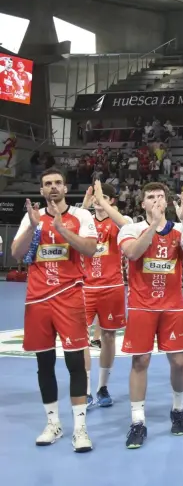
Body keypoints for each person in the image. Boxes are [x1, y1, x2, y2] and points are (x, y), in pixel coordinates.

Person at [10, 168, 98, 452]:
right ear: (41, 190)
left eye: (58, 183)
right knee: (44, 364)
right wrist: (35, 227)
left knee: (75, 365)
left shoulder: (81, 216)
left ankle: (80, 429)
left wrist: (61, 230)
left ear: (65, 187)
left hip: (69, 296)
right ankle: (53, 424)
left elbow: (90, 249)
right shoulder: (31, 216)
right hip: (37, 300)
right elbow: (16, 253)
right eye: (47, 184)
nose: (53, 187)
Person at [118, 182, 183, 448]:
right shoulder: (131, 228)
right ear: (142, 203)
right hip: (142, 306)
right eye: (150, 197)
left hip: (172, 306)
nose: (156, 200)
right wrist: (154, 226)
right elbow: (133, 253)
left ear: (167, 201)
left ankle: (178, 411)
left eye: (160, 196)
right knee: (140, 361)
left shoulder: (179, 230)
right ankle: (137, 422)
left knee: (179, 362)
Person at [81, 180, 131, 409]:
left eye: (102, 197)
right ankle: (86, 390)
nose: (96, 202)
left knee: (109, 337)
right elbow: (71, 227)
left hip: (112, 287)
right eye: (94, 198)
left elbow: (127, 225)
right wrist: (84, 208)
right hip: (85, 287)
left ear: (111, 200)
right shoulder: (85, 219)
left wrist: (103, 203)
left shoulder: (120, 222)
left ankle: (103, 387)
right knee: (81, 338)